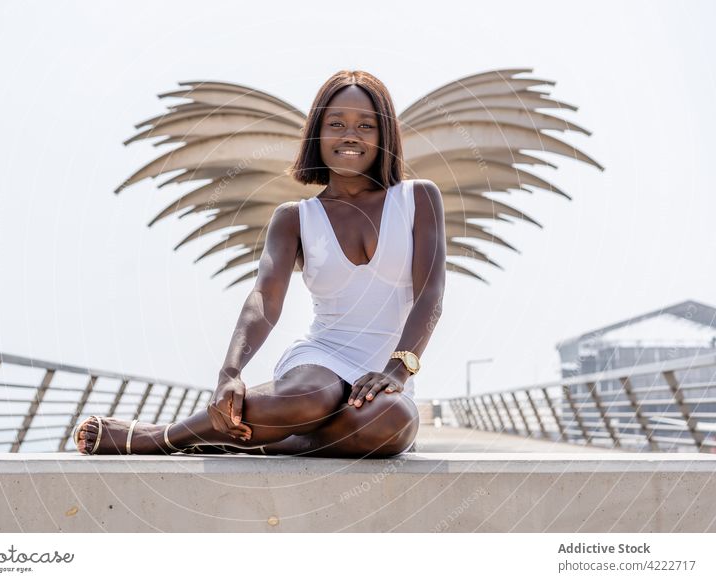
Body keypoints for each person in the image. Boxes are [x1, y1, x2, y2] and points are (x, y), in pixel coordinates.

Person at [74, 70, 446, 458]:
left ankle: (241, 440)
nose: (350, 135)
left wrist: (396, 370)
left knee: (388, 425)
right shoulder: (295, 218)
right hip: (322, 360)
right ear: (317, 135)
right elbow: (264, 299)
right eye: (336, 124)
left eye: (365, 125)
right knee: (312, 396)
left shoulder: (417, 199)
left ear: (384, 136)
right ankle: (161, 437)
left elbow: (430, 295)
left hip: (387, 370)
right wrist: (230, 373)